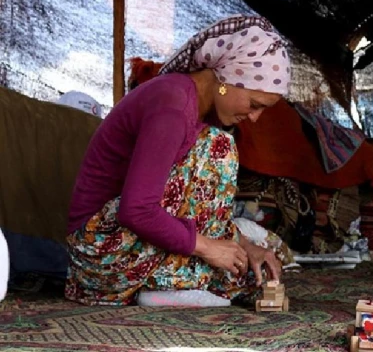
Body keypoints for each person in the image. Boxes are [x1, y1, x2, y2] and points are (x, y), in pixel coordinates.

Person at [66, 15, 291, 306]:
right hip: (99, 252)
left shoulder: (191, 108)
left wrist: (244, 246)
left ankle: (172, 281)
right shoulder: (173, 107)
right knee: (218, 146)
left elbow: (195, 211)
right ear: (227, 80)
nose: (254, 117)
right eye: (254, 104)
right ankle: (172, 285)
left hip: (128, 249)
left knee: (247, 278)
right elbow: (136, 211)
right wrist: (209, 248)